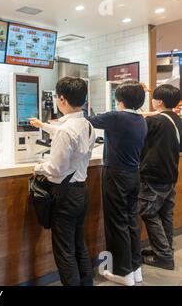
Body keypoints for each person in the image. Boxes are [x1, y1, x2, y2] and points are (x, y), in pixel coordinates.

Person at [29, 77, 96, 286]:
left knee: (64, 251)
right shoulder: (86, 125)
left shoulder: (66, 130)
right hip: (81, 192)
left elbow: (56, 169)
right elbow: (66, 134)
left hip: (65, 196)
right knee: (78, 245)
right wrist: (43, 125)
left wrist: (38, 167)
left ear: (62, 99)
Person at [88, 81, 147, 286]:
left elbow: (86, 121)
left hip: (116, 175)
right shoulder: (140, 119)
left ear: (118, 99)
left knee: (116, 223)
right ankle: (135, 269)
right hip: (133, 175)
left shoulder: (116, 117)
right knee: (130, 222)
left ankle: (123, 273)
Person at [139, 84, 182, 271]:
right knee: (165, 214)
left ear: (160, 102)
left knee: (148, 212)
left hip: (153, 176)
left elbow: (138, 125)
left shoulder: (156, 122)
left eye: (154, 97)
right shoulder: (177, 120)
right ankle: (164, 250)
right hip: (170, 174)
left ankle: (163, 256)